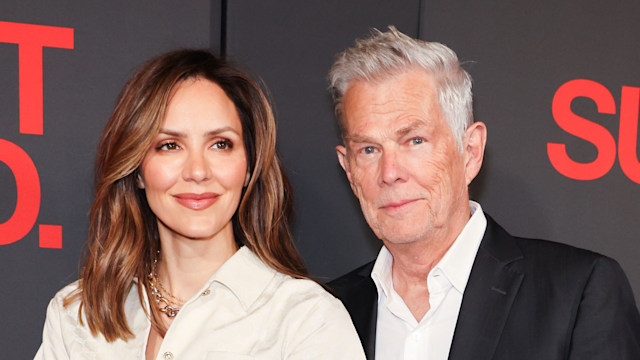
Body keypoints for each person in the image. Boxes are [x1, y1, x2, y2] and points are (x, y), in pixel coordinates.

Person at [327, 26, 640, 360]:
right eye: (369, 150)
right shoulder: (326, 313)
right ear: (349, 169)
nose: (389, 173)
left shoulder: (576, 294)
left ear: (471, 151)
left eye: (415, 141)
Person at [35, 49, 365, 360]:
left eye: (220, 144)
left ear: (248, 166)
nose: (197, 171)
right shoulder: (78, 316)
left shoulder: (306, 320)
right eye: (169, 146)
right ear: (137, 169)